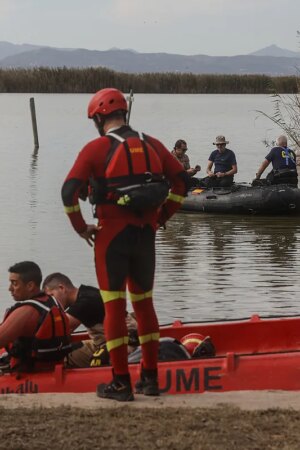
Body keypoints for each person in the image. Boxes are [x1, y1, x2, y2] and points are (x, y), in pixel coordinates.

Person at [61, 88, 189, 401]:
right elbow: (182, 183)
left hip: (110, 237)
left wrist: (81, 228)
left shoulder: (95, 149)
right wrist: (163, 216)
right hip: (146, 235)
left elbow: (68, 192)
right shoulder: (153, 144)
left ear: (98, 118)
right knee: (144, 304)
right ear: (124, 114)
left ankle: (120, 382)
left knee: (114, 307)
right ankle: (150, 378)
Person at [42, 272, 137, 368]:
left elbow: (56, 326)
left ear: (61, 288)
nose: (52, 303)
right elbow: (68, 330)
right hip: (105, 341)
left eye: (52, 296)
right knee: (69, 350)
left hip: (126, 341)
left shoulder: (85, 302)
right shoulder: (86, 292)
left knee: (70, 358)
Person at [0, 261, 71, 372]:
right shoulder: (52, 302)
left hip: (26, 376)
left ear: (30, 286)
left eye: (14, 283)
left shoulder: (26, 312)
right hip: (53, 368)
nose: (10, 288)